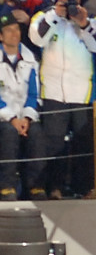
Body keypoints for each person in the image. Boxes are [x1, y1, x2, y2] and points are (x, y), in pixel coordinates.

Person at [28, 0, 96, 199]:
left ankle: (86, 187)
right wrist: (56, 15)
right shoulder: (43, 16)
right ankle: (55, 187)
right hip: (53, 91)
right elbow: (37, 38)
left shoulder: (91, 19)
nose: (72, 3)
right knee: (54, 143)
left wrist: (83, 24)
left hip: (82, 92)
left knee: (84, 142)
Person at [0, 12, 45, 201]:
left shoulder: (30, 59)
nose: (14, 34)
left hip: (23, 117)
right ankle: (7, 186)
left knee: (36, 133)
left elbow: (34, 94)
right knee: (8, 133)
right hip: (3, 117)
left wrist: (26, 117)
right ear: (1, 36)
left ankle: (35, 186)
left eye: (16, 29)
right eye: (9, 31)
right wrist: (11, 119)